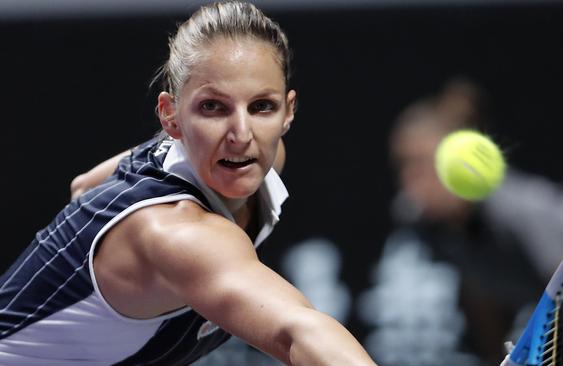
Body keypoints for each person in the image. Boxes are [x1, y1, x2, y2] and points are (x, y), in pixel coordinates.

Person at [0, 2, 377, 365]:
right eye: (213, 107)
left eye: (262, 106)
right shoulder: (177, 234)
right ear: (170, 116)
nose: (241, 134)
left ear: (288, 112)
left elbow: (83, 186)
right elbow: (297, 331)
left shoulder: (255, 162)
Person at [356, 77, 563, 366]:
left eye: (422, 163)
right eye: (402, 163)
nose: (409, 177)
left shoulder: (511, 212)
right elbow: (479, 289)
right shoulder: (428, 224)